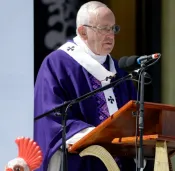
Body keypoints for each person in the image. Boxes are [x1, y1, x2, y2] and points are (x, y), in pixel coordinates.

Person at [34, 1, 153, 171]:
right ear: (83, 32)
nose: (111, 35)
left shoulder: (119, 70)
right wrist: (98, 136)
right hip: (82, 162)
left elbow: (133, 117)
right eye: (104, 28)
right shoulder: (57, 65)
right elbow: (52, 118)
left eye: (113, 29)